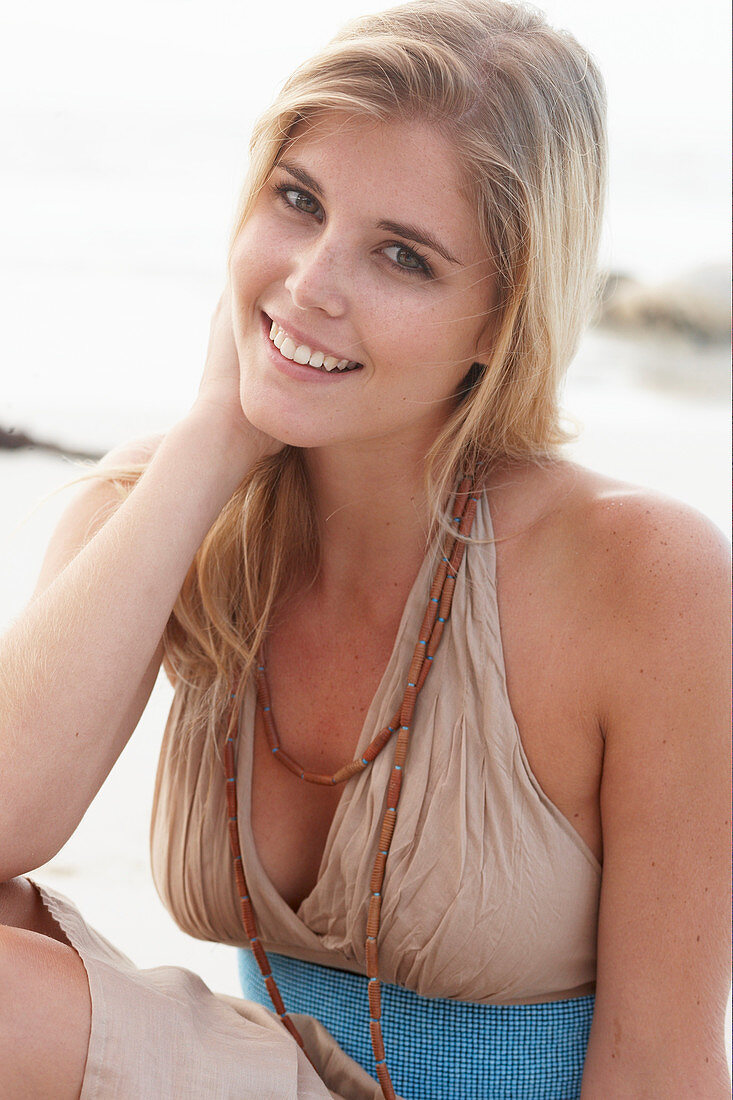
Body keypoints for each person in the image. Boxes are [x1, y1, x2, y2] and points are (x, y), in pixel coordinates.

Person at [0, 0, 729, 1096]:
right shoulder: (153, 513)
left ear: (500, 319)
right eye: (298, 202)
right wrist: (213, 439)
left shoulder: (646, 578)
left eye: (402, 255)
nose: (313, 285)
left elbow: (664, 1059)